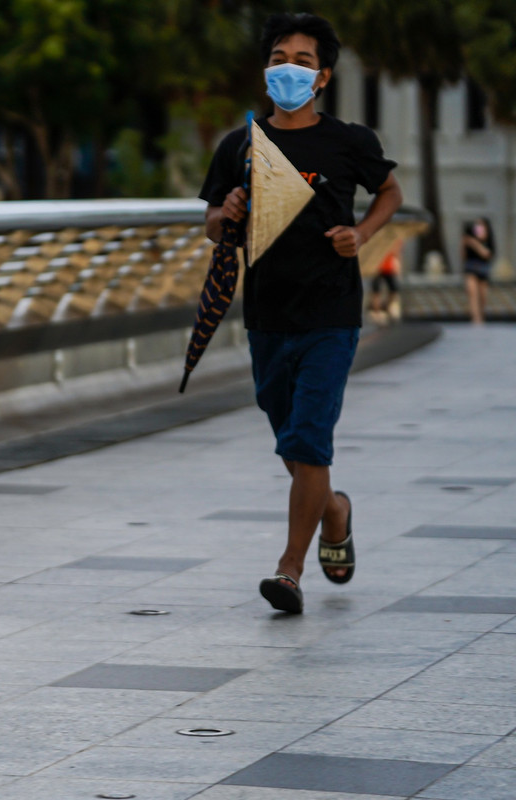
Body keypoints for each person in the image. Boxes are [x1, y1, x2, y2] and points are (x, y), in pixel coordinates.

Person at [199, 13, 403, 613]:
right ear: (267, 71)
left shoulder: (348, 142)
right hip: (266, 316)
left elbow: (389, 191)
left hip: (331, 316)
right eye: (280, 57)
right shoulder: (241, 145)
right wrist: (227, 210)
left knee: (310, 442)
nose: (290, 68)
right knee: (294, 446)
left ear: (323, 78)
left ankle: (289, 571)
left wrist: (361, 233)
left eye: (304, 61)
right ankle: (335, 509)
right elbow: (212, 225)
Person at [462, 217, 494, 325]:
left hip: (483, 268)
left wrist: (474, 243)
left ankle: (481, 316)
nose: (479, 228)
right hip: (470, 267)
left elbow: (487, 254)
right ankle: (476, 319)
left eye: (481, 225)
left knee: (482, 295)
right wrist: (464, 244)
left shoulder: (488, 240)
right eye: (477, 225)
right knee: (472, 292)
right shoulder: (469, 237)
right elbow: (463, 256)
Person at [368, 244, 401, 325]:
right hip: (377, 267)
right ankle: (377, 312)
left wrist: (397, 266)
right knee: (376, 291)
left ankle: (386, 307)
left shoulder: (395, 240)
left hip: (388, 267)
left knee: (393, 289)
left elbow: (396, 253)